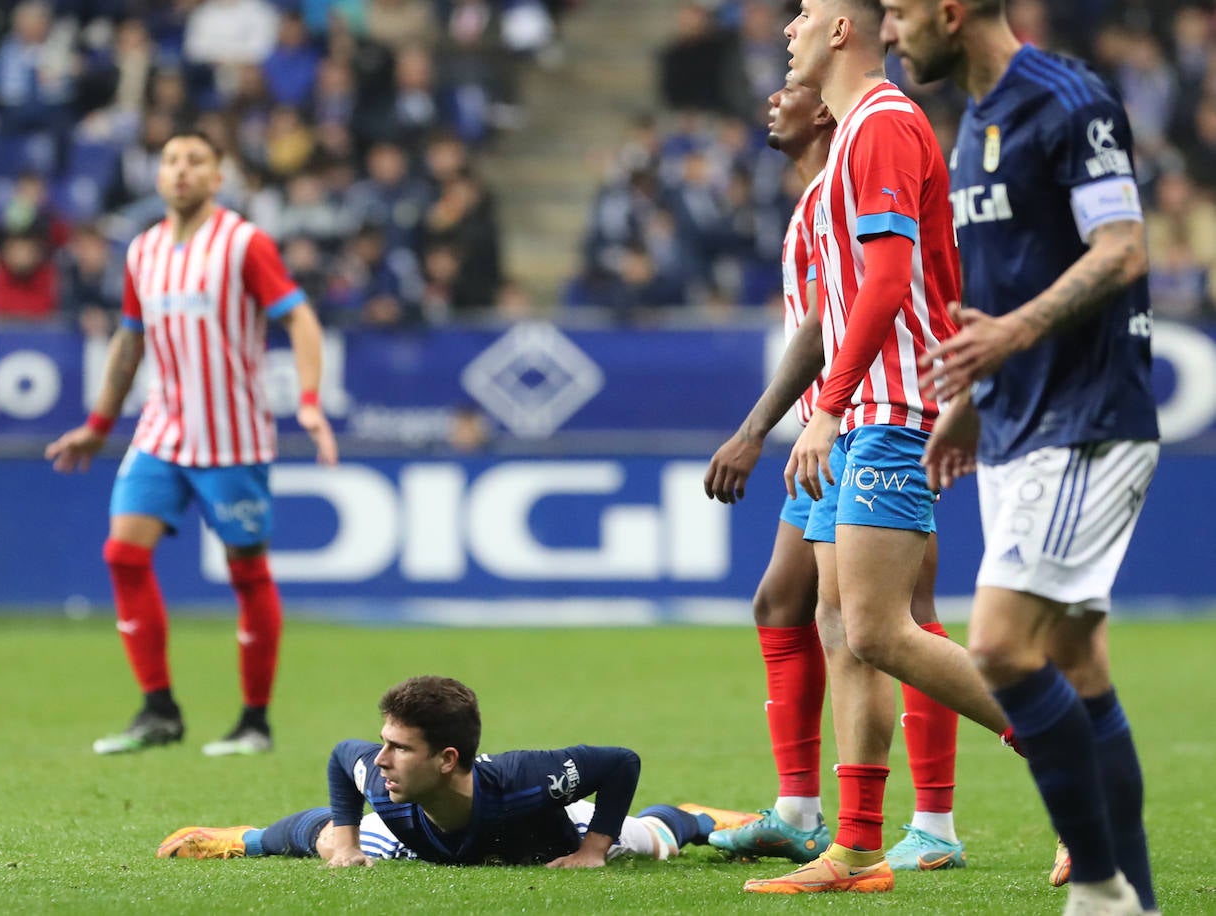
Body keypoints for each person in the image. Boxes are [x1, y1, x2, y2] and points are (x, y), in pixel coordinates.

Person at [706, 0, 1021, 894]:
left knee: (883, 627)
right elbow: (914, 283)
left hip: (883, 410)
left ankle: (1072, 759)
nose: (787, 30)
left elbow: (890, 281)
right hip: (874, 410)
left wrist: (829, 408)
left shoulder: (883, 123)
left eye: (802, 14)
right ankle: (853, 848)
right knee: (843, 629)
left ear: (842, 29)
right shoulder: (852, 139)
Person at [883, 2, 1161, 913]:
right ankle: (1136, 900)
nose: (889, 31)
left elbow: (1121, 250)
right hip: (1012, 425)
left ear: (951, 12)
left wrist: (1009, 341)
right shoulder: (973, 125)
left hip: (1085, 415)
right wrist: (967, 403)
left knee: (999, 645)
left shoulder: (1068, 99)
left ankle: (1099, 886)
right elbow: (1000, 296)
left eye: (896, 11)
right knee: (1078, 665)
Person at [45, 129, 338, 758]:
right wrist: (99, 426)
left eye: (195, 161)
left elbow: (301, 318)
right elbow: (130, 341)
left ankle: (254, 721)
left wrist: (309, 403)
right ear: (158, 177)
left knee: (246, 572)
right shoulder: (143, 250)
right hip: (161, 429)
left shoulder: (243, 243)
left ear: (216, 175)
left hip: (233, 437)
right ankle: (159, 709)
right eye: (171, 160)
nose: (181, 170)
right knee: (123, 554)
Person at [155, 675, 755, 866]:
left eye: (398, 748)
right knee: (328, 839)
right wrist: (341, 833)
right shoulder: (384, 781)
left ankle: (701, 819)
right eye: (384, 742)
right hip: (425, 831)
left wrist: (593, 848)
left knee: (649, 841)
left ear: (446, 760)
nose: (380, 758)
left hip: (550, 833)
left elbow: (620, 763)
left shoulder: (531, 780)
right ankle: (242, 839)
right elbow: (344, 756)